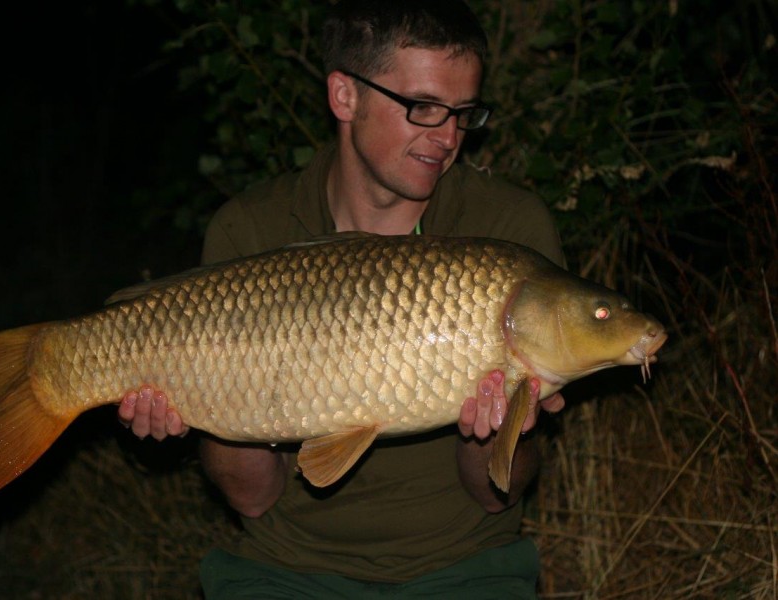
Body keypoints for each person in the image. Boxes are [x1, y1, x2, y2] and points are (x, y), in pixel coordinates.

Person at [119, 1, 566, 597]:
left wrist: (500, 427)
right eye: (423, 108)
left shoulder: (508, 233)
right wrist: (207, 402)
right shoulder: (251, 228)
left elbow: (492, 495)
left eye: (463, 114)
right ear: (344, 97)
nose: (448, 137)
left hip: (461, 564)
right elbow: (252, 499)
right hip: (286, 567)